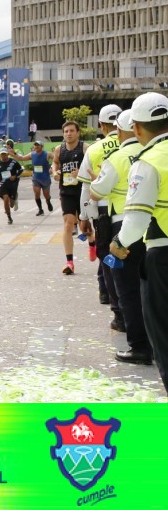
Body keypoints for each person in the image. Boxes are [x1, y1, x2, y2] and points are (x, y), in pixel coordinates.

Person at [109, 92, 168, 393]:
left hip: (163, 256)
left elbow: (136, 221)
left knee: (163, 335)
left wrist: (117, 244)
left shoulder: (147, 162)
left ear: (137, 128)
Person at [90, 109, 151, 359]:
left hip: (123, 227)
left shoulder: (116, 157)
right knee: (153, 289)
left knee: (127, 288)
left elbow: (97, 191)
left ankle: (139, 346)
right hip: (155, 229)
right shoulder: (152, 153)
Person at [78, 104, 122, 306]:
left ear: (102, 126)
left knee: (106, 257)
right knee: (130, 256)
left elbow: (86, 188)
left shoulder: (94, 150)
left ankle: (113, 300)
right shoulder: (133, 146)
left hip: (102, 212)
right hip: (131, 211)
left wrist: (84, 217)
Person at [51, 121, 91, 275]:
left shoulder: (85, 148)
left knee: (84, 226)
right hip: (66, 191)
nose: (69, 134)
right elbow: (55, 163)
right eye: (66, 131)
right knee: (68, 224)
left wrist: (81, 173)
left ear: (78, 133)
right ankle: (69, 262)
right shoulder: (59, 149)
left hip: (83, 191)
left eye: (72, 131)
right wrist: (55, 172)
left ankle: (92, 244)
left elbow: (94, 166)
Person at [11, 140, 54, 216]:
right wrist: (13, 153)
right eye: (35, 145)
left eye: (38, 145)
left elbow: (57, 158)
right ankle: (40, 210)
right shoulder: (32, 154)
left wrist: (52, 167)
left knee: (46, 195)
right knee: (37, 194)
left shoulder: (47, 154)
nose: (36, 147)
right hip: (36, 178)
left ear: (42, 146)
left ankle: (48, 201)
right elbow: (21, 158)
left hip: (45, 178)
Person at [0, 147, 23, 224]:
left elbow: (20, 169)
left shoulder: (13, 162)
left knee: (11, 205)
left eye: (5, 154)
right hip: (3, 184)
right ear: (0, 155)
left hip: (12, 184)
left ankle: (14, 199)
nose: (3, 156)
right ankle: (9, 217)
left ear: (7, 154)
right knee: (5, 199)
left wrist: (15, 176)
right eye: (2, 154)